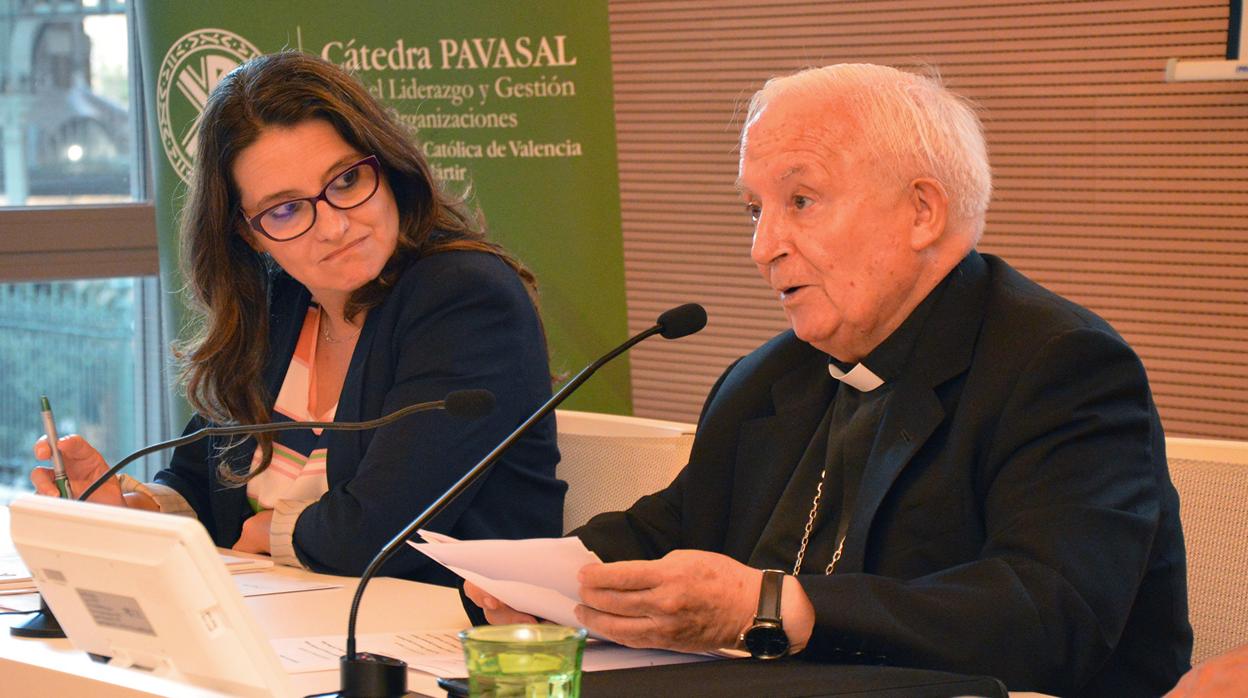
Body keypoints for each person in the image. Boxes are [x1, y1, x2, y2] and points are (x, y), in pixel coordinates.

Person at [466, 63, 1191, 696]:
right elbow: (671, 531)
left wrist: (781, 607)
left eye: (799, 202)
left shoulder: (1060, 365)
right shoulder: (767, 378)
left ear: (922, 211)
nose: (763, 247)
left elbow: (1050, 615)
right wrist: (539, 586)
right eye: (754, 210)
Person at [31, 51, 564, 585]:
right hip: (294, 628)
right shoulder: (280, 300)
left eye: (347, 181)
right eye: (285, 210)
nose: (333, 226)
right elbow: (202, 486)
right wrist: (125, 508)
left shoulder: (465, 298)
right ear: (248, 232)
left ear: (386, 165)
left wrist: (268, 534)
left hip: (454, 644)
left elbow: (379, 534)